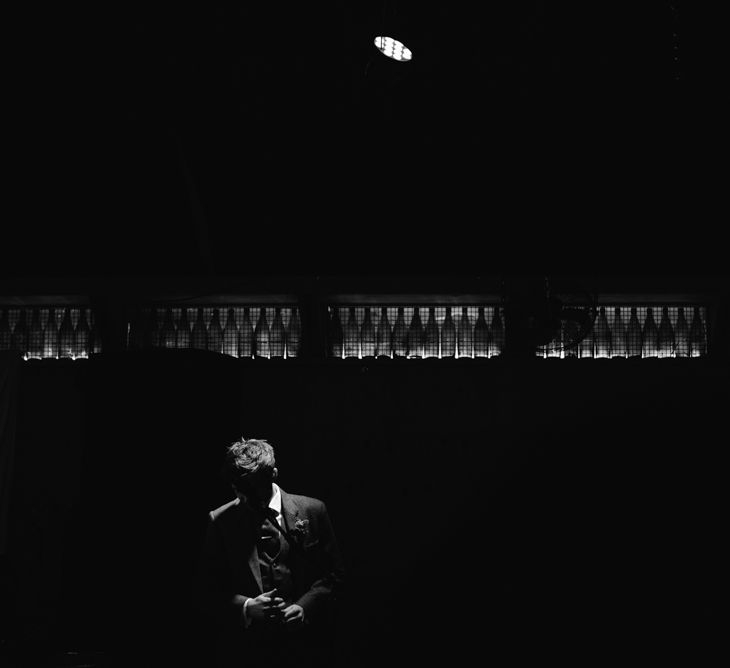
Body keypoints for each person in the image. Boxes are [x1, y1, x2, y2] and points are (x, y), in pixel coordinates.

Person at [196, 437, 344, 668]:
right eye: (238, 490)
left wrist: (305, 606)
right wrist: (247, 607)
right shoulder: (219, 520)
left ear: (273, 474)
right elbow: (207, 589)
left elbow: (334, 574)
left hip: (308, 647)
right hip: (250, 651)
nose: (245, 499)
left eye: (253, 491)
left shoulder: (313, 510)